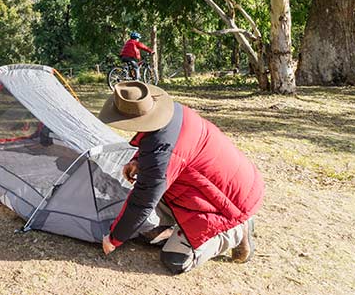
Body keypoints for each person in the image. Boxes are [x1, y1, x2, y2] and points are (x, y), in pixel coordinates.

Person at [98, 81, 264, 274]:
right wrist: (138, 161)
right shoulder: (174, 113)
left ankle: (235, 231)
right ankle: (178, 227)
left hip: (231, 205)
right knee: (153, 197)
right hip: (233, 186)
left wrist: (114, 238)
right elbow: (158, 148)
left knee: (175, 260)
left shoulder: (162, 153)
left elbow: (142, 201)